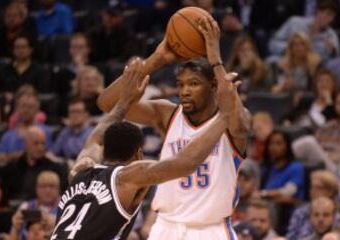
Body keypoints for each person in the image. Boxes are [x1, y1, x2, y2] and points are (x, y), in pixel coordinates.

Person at [51, 53, 242, 240]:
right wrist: (225, 113)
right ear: (138, 156)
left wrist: (124, 102)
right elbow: (187, 162)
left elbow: (96, 139)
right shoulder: (129, 177)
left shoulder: (78, 172)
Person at [97, 17, 250, 239]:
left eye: (194, 84)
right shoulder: (168, 115)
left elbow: (242, 124)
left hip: (211, 230)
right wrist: (157, 59)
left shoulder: (230, 120)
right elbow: (108, 104)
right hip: (166, 227)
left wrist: (215, 58)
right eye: (181, 85)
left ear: (214, 87)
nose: (185, 91)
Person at [1, 126, 67, 201]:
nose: (40, 148)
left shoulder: (55, 169)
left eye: (43, 144)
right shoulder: (12, 168)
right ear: (26, 144)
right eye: (36, 143)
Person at [268, 0, 340, 61]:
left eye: (332, 17)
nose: (330, 19)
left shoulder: (331, 35)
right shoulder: (294, 22)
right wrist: (290, 49)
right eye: (328, 14)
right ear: (318, 11)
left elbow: (336, 62)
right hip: (288, 62)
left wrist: (332, 52)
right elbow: (273, 44)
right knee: (271, 60)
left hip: (312, 71)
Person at [0, 90, 52, 166]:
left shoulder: (45, 131)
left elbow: (49, 156)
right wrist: (23, 155)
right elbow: (0, 158)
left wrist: (11, 156)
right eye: (23, 106)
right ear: (17, 108)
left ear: (37, 109)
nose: (26, 110)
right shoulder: (8, 135)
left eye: (30, 107)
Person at [287, 170, 340, 240]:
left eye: (318, 188)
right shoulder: (300, 212)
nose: (313, 191)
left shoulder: (339, 216)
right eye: (312, 187)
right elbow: (290, 237)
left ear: (330, 191)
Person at [9, 171, 60, 240]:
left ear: (59, 189)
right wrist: (16, 228)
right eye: (43, 186)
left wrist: (56, 226)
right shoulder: (25, 207)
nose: (47, 190)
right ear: (36, 189)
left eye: (51, 186)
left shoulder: (65, 207)